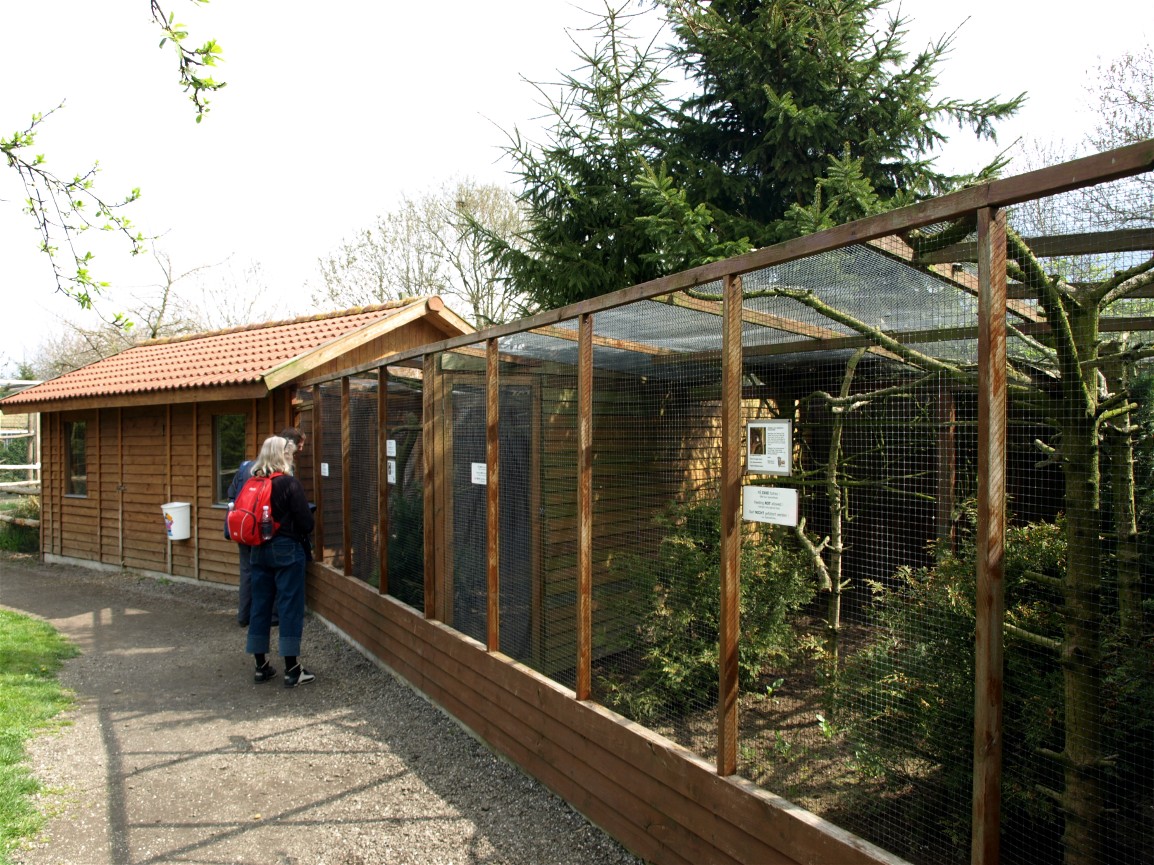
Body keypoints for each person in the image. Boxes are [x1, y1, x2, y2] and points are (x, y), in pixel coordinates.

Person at [244, 434, 317, 688]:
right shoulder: (288, 484)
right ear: (283, 455)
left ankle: (261, 666)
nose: (292, 456)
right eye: (290, 453)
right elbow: (306, 523)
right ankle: (292, 669)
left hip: (258, 549)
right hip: (286, 550)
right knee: (289, 606)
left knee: (260, 605)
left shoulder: (253, 481)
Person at [229, 428, 304, 626]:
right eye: (296, 448)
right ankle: (274, 617)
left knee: (247, 572)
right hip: (266, 533)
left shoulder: (246, 469)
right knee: (276, 577)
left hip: (243, 529)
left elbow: (231, 495)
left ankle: (245, 616)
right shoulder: (283, 477)